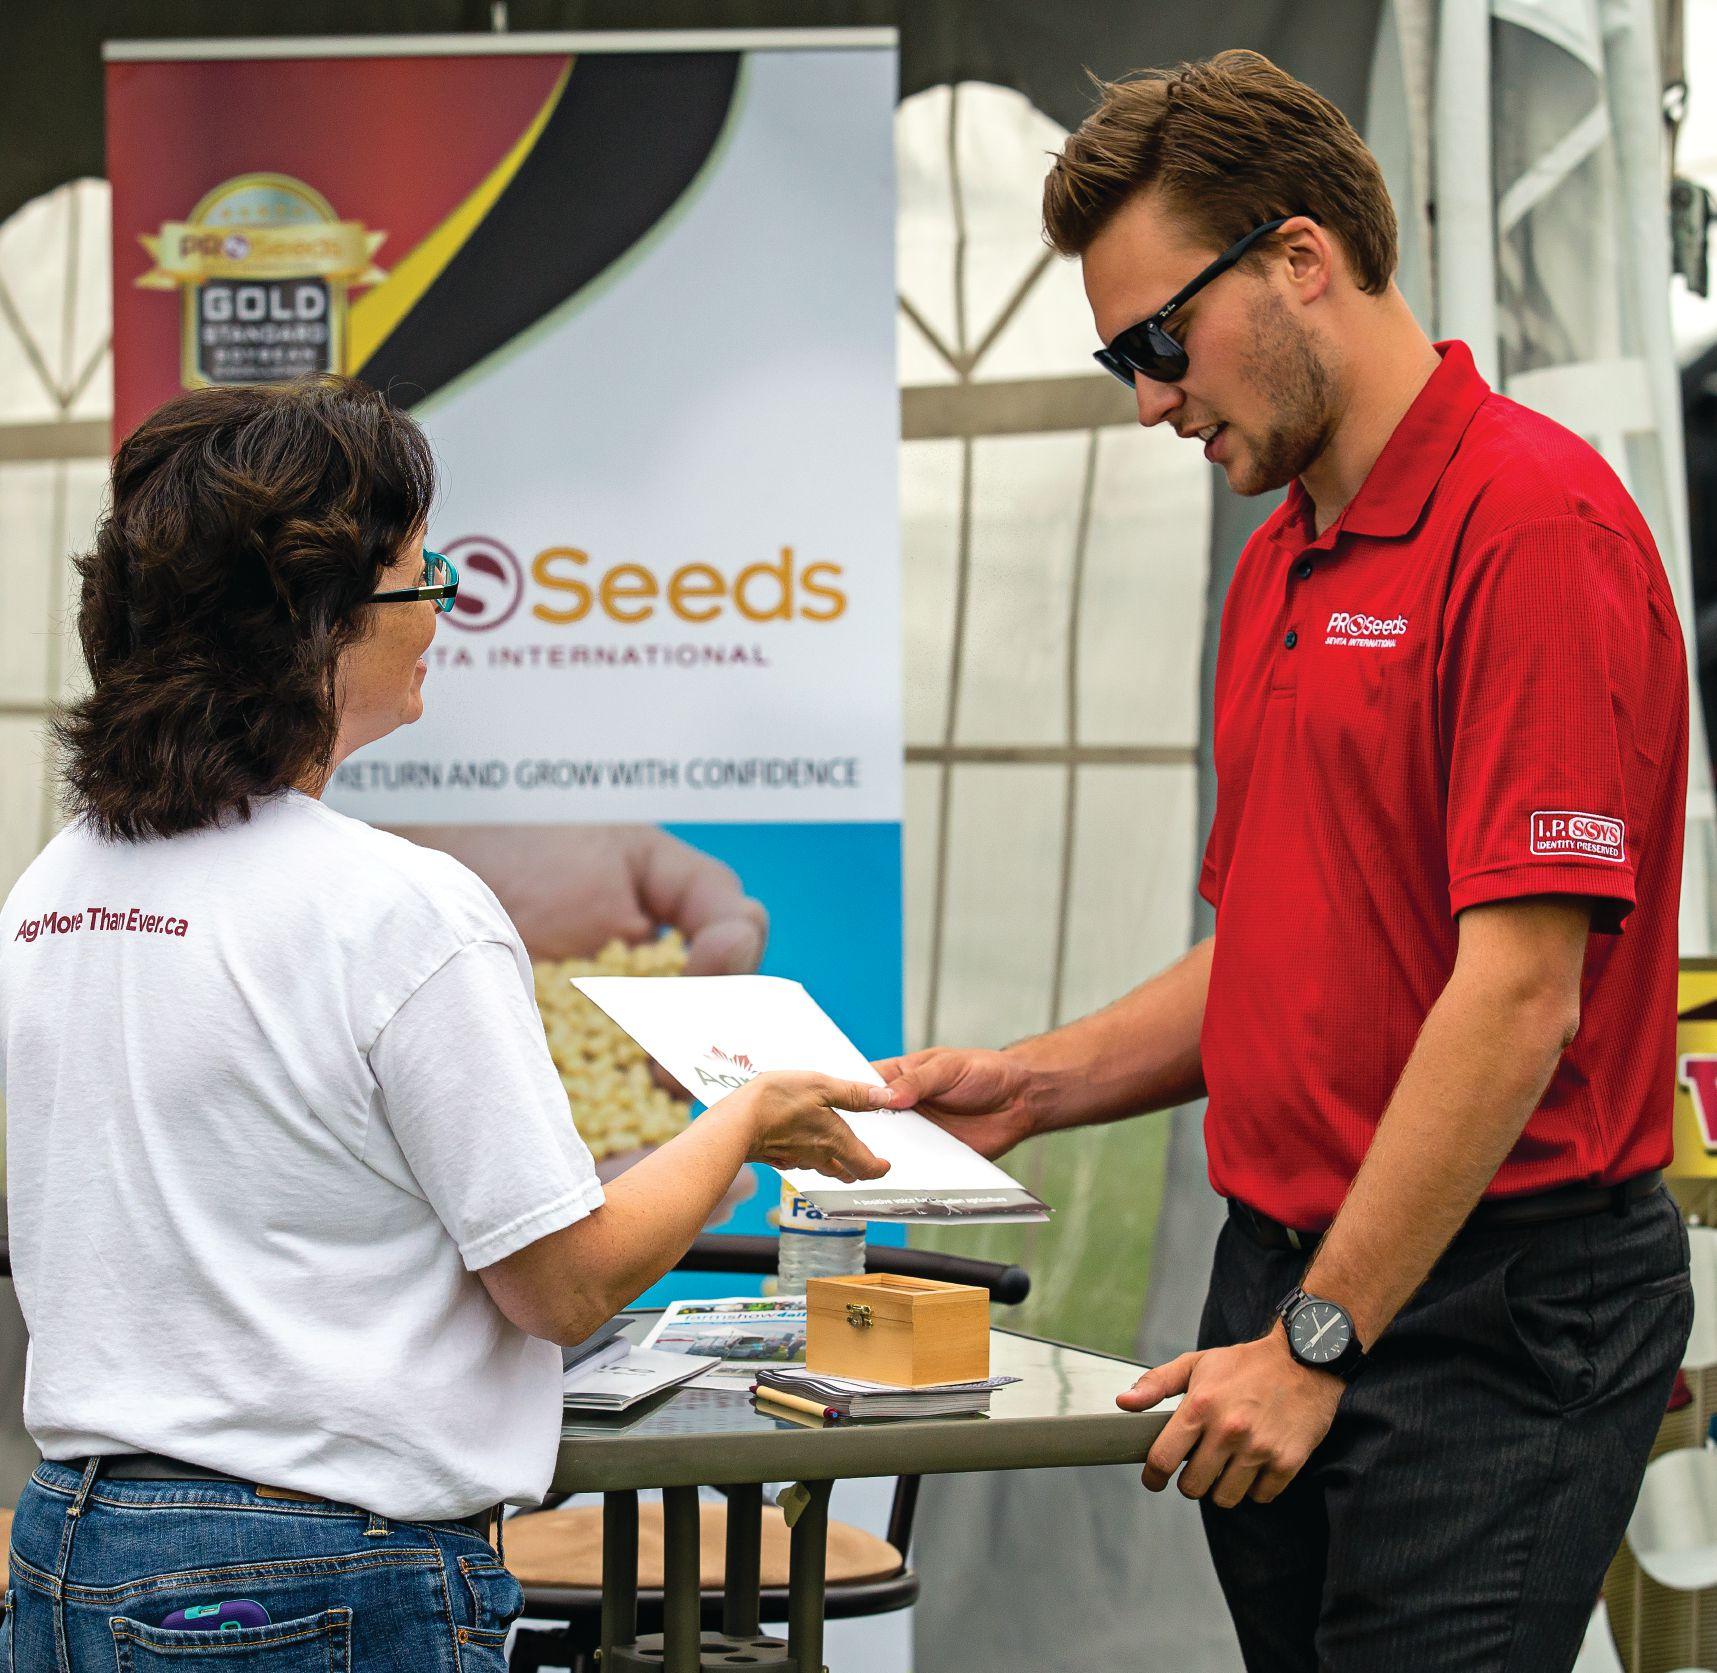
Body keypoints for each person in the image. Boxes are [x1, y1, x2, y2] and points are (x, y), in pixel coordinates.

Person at [878, 50, 1693, 1673]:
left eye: (1157, 342)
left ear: (1299, 257)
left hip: (1484, 1299)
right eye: (1121, 358)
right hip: (1290, 1275)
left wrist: (1318, 1337)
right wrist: (1033, 1082)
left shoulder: (1531, 527)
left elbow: (1517, 994)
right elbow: (1274, 945)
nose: (1149, 400)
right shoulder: (1284, 559)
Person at [0, 376, 887, 1670]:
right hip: (314, 1576)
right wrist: (743, 1121)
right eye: (424, 579)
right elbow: (561, 1284)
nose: (441, 615)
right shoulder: (401, 909)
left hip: (73, 1550)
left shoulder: (58, 887)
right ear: (316, 620)